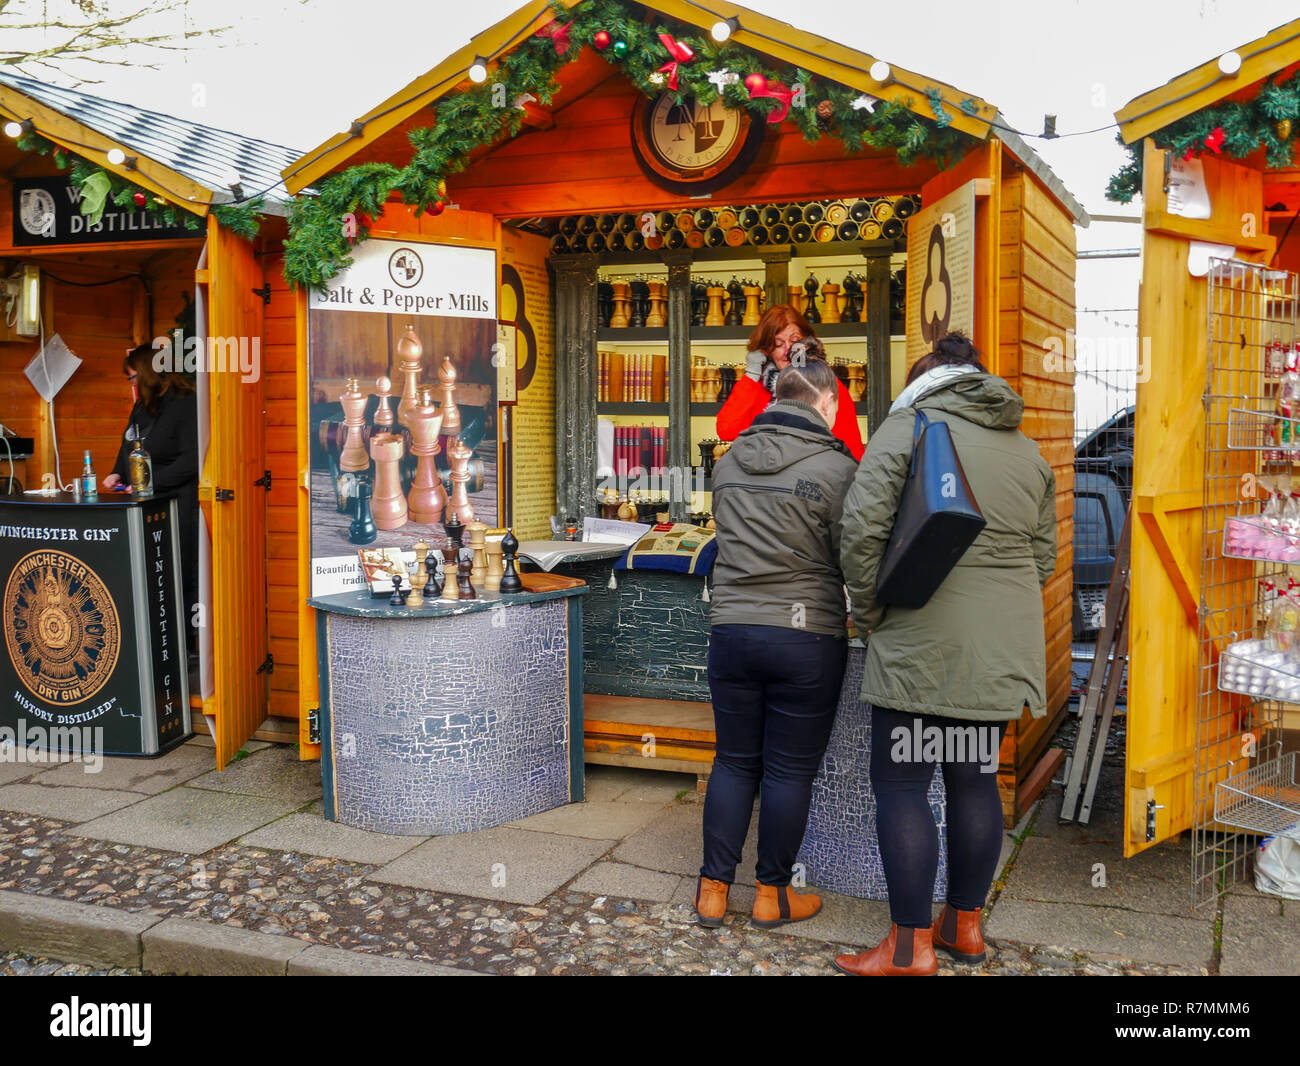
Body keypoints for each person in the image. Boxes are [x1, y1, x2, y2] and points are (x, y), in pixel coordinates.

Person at [834, 331, 1057, 976]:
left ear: (925, 380)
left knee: (904, 785)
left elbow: (861, 531)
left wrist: (872, 617)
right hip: (996, 652)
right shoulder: (1027, 451)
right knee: (973, 779)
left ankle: (908, 949)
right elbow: (1041, 557)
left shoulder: (908, 426)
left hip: (919, 648)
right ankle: (964, 928)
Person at [695, 359, 860, 929]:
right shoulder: (838, 468)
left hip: (733, 630)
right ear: (824, 403)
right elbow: (853, 556)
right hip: (805, 636)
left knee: (735, 761)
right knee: (789, 772)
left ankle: (712, 891)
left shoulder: (729, 461)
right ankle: (772, 896)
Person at [105, 344, 200, 652]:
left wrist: (149, 484)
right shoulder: (143, 405)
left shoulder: (186, 403)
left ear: (147, 374)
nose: (131, 385)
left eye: (133, 378)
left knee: (180, 578)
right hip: (146, 501)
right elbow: (129, 442)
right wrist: (116, 473)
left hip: (178, 504)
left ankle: (181, 649)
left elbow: (190, 461)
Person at [716, 304, 864, 460]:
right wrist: (751, 375)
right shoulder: (756, 387)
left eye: (795, 341)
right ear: (766, 349)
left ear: (807, 343)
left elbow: (851, 451)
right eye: (778, 344)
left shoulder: (825, 385)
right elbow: (727, 430)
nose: (788, 351)